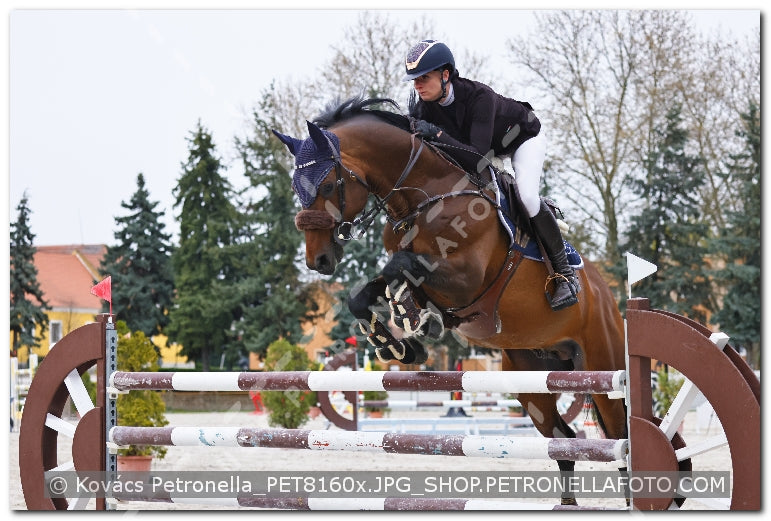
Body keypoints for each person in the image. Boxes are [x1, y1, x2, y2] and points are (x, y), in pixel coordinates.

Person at [403, 39, 579, 311]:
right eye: (414, 80)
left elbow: (476, 159)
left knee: (527, 197)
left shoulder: (478, 97)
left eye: (423, 78)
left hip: (521, 138)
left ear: (445, 74)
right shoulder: (425, 107)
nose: (417, 85)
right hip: (484, 149)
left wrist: (437, 134)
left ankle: (565, 274)